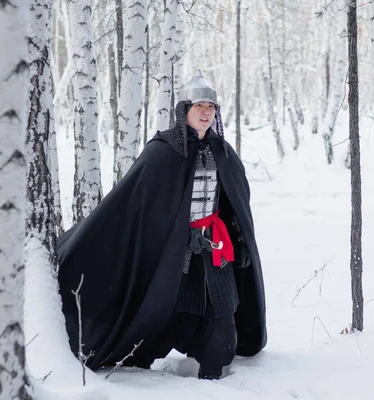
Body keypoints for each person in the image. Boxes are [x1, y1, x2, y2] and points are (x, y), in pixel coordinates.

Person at [57, 70, 266, 380]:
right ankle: (142, 374)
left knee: (222, 329)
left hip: (213, 251)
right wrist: (181, 236)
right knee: (158, 311)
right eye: (199, 106)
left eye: (211, 107)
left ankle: (214, 377)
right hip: (173, 255)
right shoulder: (164, 151)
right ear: (184, 110)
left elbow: (233, 203)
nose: (205, 112)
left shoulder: (223, 152)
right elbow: (137, 204)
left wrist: (238, 238)